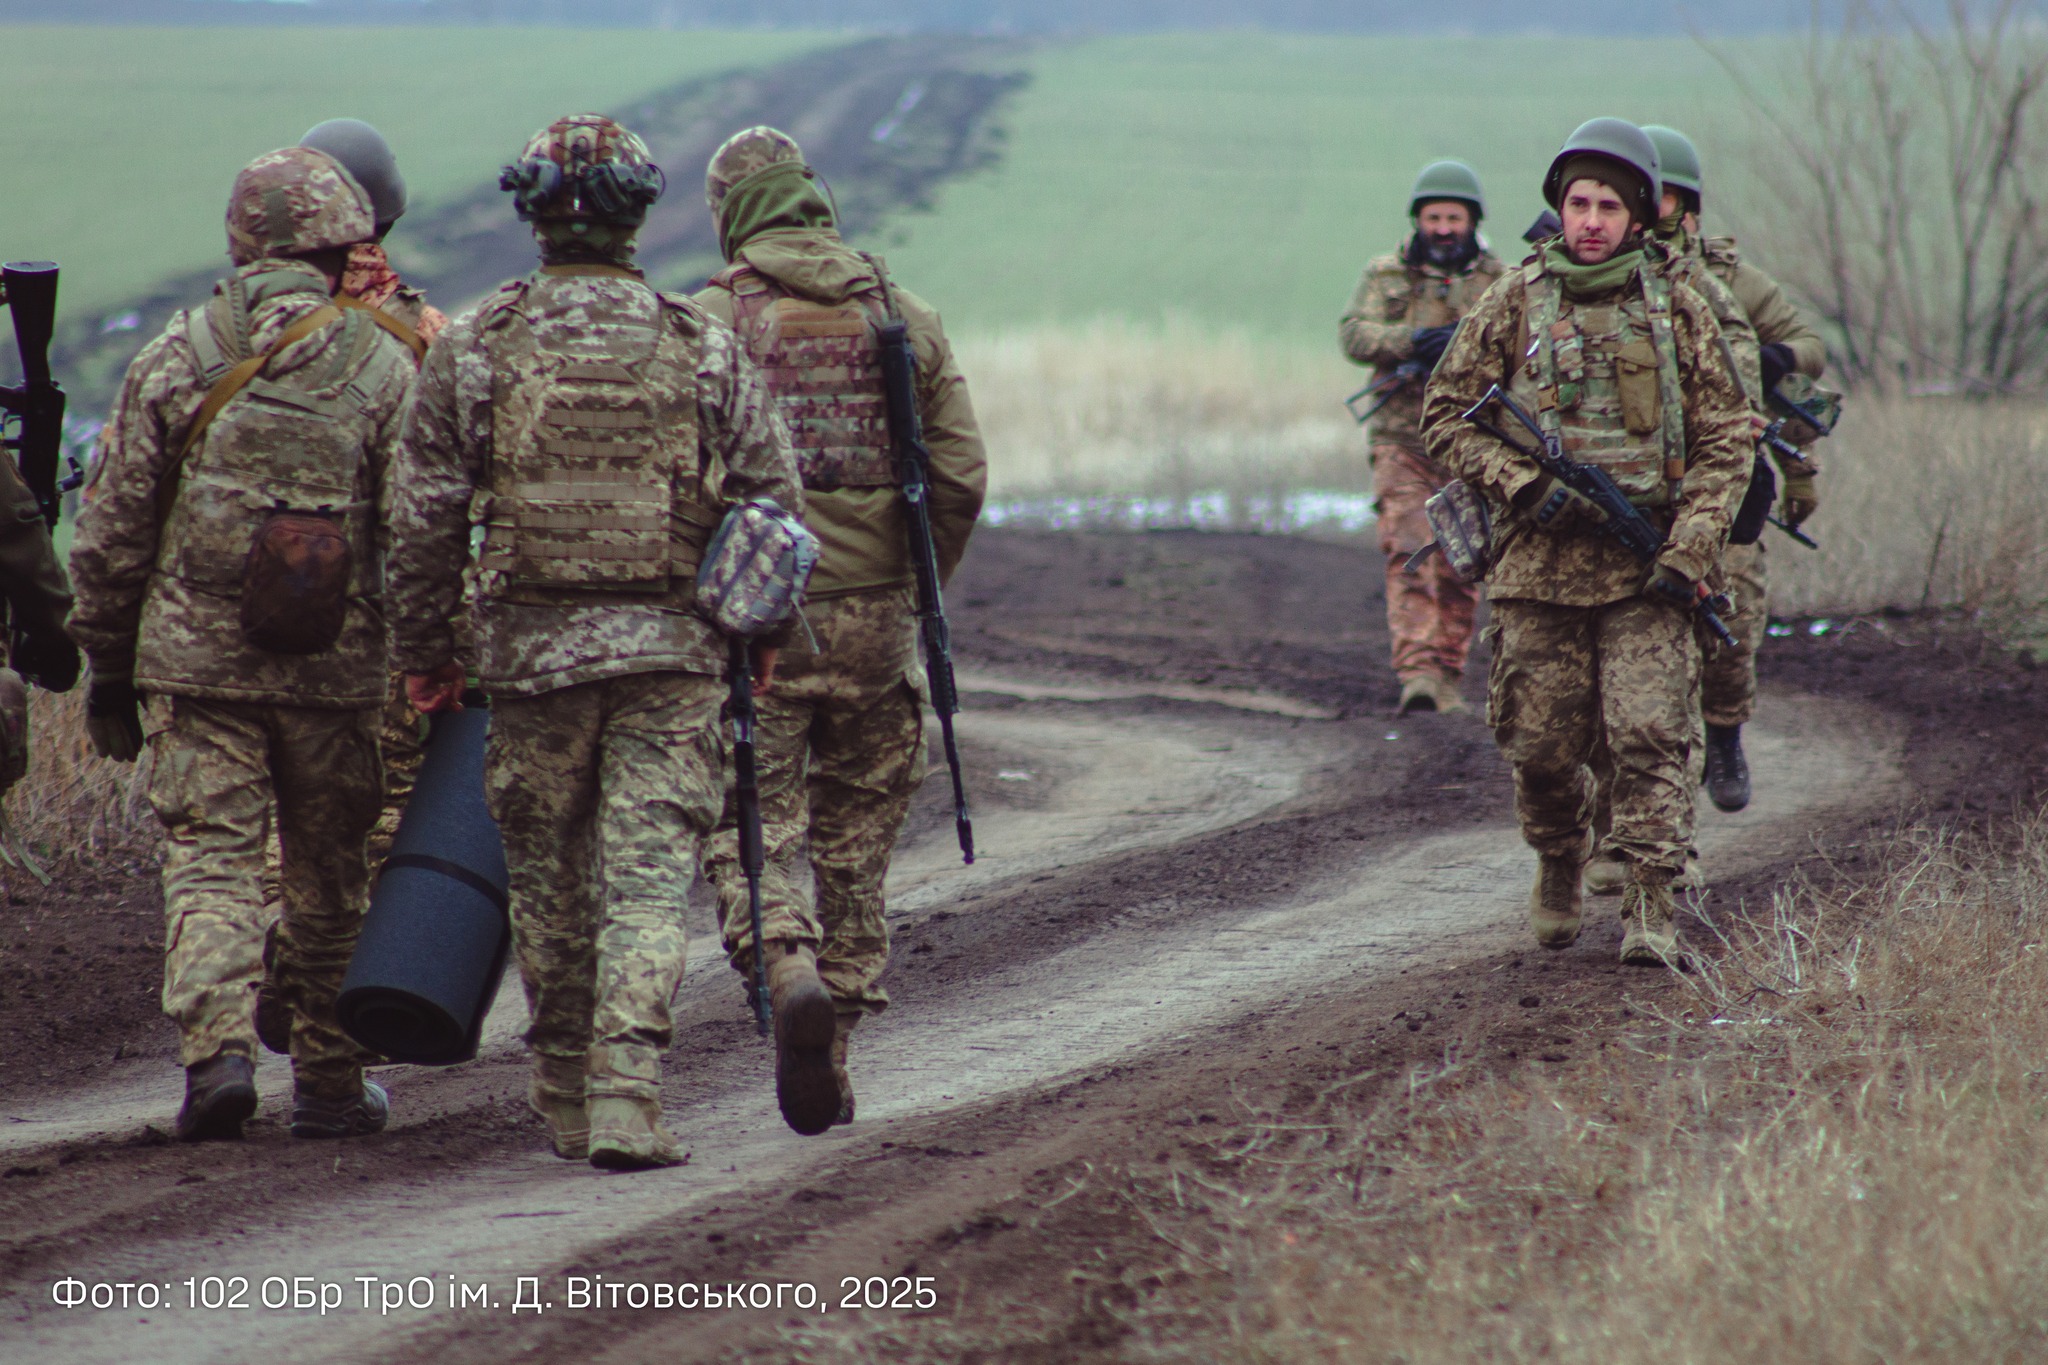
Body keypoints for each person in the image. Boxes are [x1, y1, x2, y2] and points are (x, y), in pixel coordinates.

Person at [387, 114, 806, 1170]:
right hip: (670, 659)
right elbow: (772, 504)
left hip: (528, 662)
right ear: (638, 212)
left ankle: (566, 1091)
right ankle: (628, 1093)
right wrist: (761, 633)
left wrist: (427, 648)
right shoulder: (696, 341)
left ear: (527, 209)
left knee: (547, 881)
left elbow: (423, 518)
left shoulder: (479, 344)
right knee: (648, 881)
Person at [68, 146, 415, 1141]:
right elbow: (421, 528)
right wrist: (428, 648)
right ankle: (334, 1086)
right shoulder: (381, 362)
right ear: (340, 240)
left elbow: (112, 531)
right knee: (328, 872)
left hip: (198, 664)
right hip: (334, 673)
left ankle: (217, 1056)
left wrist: (111, 668)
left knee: (212, 860)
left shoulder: (179, 354)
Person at [693, 127, 986, 1133]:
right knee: (855, 848)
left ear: (733, 214)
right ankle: (841, 1032)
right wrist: (912, 588)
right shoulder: (900, 315)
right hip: (876, 627)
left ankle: (785, 964)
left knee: (750, 832)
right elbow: (960, 475)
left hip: (753, 630)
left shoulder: (708, 322)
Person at [1421, 118, 1752, 966]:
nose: (1592, 219)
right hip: (1537, 567)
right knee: (1541, 745)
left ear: (1639, 214)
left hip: (1649, 569)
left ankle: (1651, 901)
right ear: (1558, 209)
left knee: (1649, 733)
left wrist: (1695, 543)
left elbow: (1727, 437)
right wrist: (1523, 483)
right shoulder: (1516, 298)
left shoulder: (1678, 304)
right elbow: (1444, 419)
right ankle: (1560, 858)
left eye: (1609, 204)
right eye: (1578, 202)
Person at [249, 119, 453, 1057]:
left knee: (265, 813)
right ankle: (325, 990)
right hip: (375, 618)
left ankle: (266, 958)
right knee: (363, 818)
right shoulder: (422, 334)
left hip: (252, 609)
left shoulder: (239, 324)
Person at [1647, 124, 1826, 812]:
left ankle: (1724, 734)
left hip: (1731, 485)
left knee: (1733, 626)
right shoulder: (1606, 282)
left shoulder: (1733, 283)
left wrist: (1775, 360)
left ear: (1689, 207)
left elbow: (1807, 351)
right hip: (1643, 487)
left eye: (1664, 198)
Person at [1341, 160, 1507, 713]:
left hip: (1471, 442)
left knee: (1462, 563)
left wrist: (1463, 347)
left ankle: (1447, 673)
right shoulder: (1385, 273)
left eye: (1452, 217)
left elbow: (1521, 348)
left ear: (1471, 220)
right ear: (1418, 220)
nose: (1442, 228)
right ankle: (1417, 674)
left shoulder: (1497, 281)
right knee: (1410, 550)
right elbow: (1354, 333)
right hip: (1401, 438)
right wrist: (1414, 340)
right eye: (1433, 217)